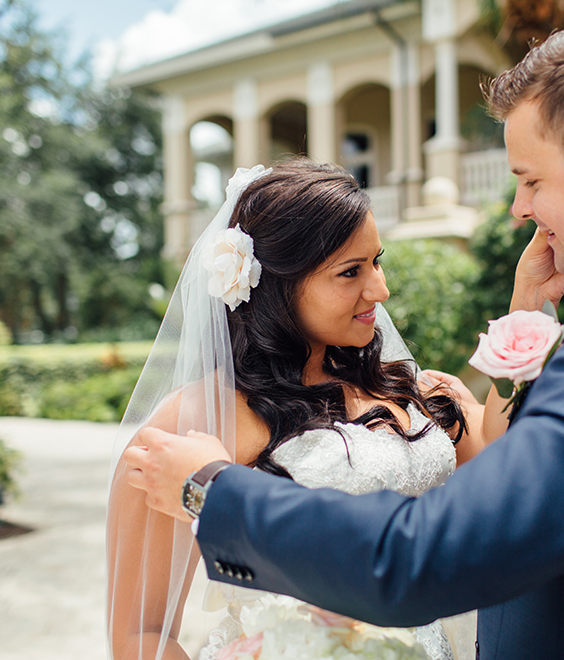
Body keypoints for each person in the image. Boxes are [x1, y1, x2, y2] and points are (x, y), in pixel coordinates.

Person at [123, 13, 564, 660]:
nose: (521, 207)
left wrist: (210, 489)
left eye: (531, 179)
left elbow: (421, 558)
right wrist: (528, 314)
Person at [107, 158, 497, 660]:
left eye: (376, 261)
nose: (381, 289)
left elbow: (507, 489)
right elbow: (142, 633)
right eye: (350, 271)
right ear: (276, 284)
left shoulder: (406, 387)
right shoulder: (197, 419)